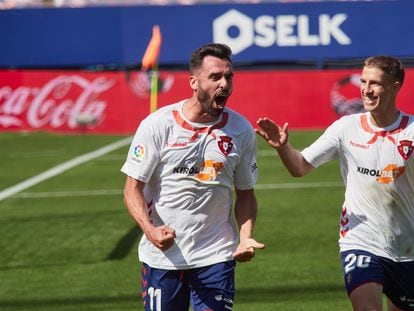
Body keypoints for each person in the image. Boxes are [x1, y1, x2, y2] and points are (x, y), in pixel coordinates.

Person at [256, 55, 414, 311]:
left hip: (407, 247)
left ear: (395, 86)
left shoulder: (411, 131)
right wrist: (283, 148)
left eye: (375, 83)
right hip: (360, 240)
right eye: (363, 81)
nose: (365, 89)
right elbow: (300, 166)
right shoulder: (345, 128)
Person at [121, 43, 265, 311]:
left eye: (229, 77)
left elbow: (246, 192)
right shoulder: (158, 125)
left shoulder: (241, 130)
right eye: (215, 77)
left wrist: (245, 236)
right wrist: (149, 231)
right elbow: (132, 189)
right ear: (193, 82)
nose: (224, 84)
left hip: (216, 255)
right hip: (163, 259)